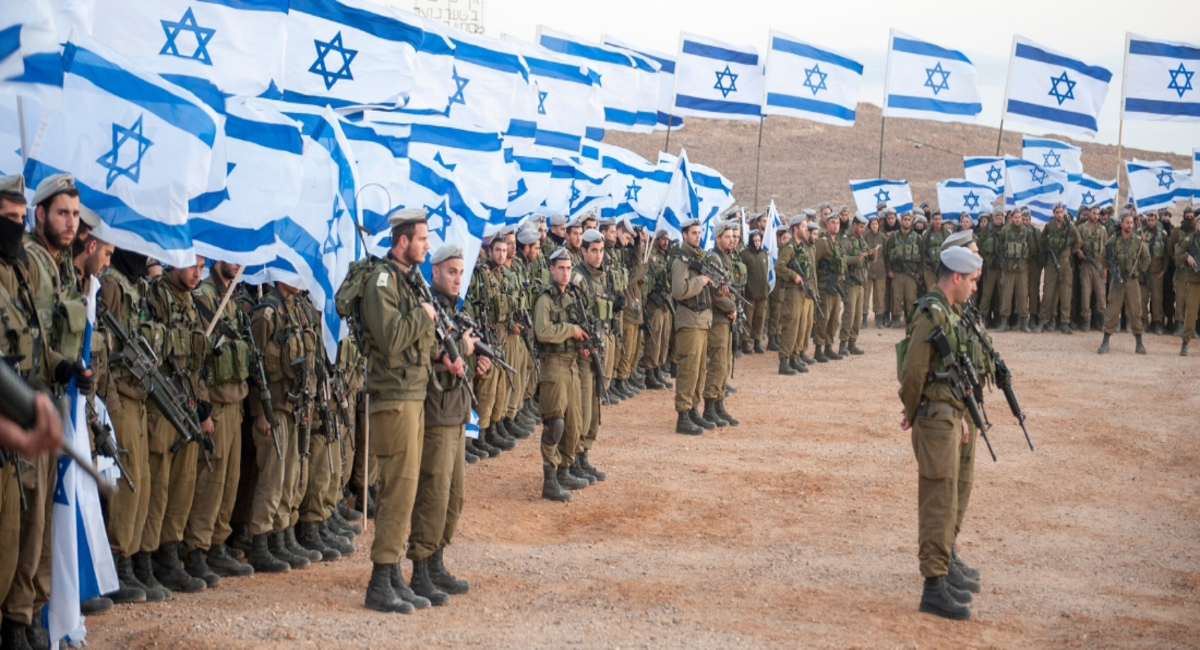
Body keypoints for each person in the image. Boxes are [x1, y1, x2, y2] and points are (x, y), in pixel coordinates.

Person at [356, 208, 441, 614]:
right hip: (392, 396)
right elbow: (390, 338)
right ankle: (379, 580)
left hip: (412, 392)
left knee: (405, 491)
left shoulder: (408, 280)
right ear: (402, 241)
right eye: (422, 239)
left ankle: (392, 577)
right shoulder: (383, 281)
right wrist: (423, 317)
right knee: (396, 488)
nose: (427, 245)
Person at [897, 246, 985, 621]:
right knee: (937, 498)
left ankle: (943, 570)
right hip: (933, 419)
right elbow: (913, 371)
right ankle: (933, 586)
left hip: (945, 415)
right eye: (971, 281)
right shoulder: (929, 314)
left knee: (947, 495)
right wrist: (913, 410)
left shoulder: (947, 311)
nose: (974, 289)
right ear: (955, 277)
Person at [407, 244, 485, 604]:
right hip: (436, 413)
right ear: (434, 272)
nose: (457, 278)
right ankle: (421, 567)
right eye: (450, 271)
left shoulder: (456, 311)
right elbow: (424, 351)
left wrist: (476, 361)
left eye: (460, 271)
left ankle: (437, 560)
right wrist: (462, 351)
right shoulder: (427, 309)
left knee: (454, 497)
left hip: (456, 410)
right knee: (434, 493)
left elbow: (458, 355)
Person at [143, 255, 215, 595]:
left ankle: (170, 557)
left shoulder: (191, 301)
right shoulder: (155, 295)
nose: (197, 273)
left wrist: (202, 409)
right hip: (161, 405)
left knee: (182, 486)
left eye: (201, 267)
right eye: (191, 265)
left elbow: (198, 362)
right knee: (157, 486)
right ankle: (145, 558)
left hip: (186, 407)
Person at [184, 261, 256, 582]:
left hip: (234, 399)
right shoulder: (206, 295)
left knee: (229, 479)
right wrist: (204, 408)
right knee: (211, 482)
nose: (237, 262)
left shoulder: (230, 297)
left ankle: (217, 543)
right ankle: (197, 548)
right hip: (214, 400)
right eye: (231, 255)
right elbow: (199, 357)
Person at [533, 248, 590, 500]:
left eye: (569, 268)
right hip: (553, 366)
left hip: (572, 365)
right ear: (551, 269)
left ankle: (565, 469)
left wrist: (584, 343)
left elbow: (581, 328)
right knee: (555, 423)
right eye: (561, 268)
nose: (566, 273)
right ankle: (549, 479)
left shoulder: (572, 297)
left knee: (573, 422)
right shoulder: (545, 299)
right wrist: (570, 330)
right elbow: (543, 331)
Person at [569, 229, 613, 481]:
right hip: (583, 352)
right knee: (583, 407)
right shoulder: (577, 277)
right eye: (593, 251)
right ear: (583, 251)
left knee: (594, 407)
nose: (598, 255)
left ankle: (584, 455)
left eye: (601, 250)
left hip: (598, 347)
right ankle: (574, 457)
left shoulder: (599, 277)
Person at [670, 219, 716, 435]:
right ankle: (683, 415)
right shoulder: (681, 262)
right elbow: (679, 290)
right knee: (688, 369)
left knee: (699, 369)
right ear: (684, 235)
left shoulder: (700, 259)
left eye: (699, 232)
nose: (697, 236)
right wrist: (702, 281)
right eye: (693, 233)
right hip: (689, 320)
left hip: (703, 320)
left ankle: (693, 409)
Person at [702, 220, 740, 427]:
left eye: (733, 236)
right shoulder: (713, 258)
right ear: (717, 239)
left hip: (725, 319)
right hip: (717, 319)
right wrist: (730, 308)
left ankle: (719, 405)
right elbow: (714, 294)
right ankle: (709, 407)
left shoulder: (725, 258)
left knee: (724, 363)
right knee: (717, 364)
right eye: (727, 237)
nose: (732, 240)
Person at [1097, 213, 1150, 355]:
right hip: (1117, 282)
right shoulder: (1113, 241)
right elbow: (1102, 257)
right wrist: (1111, 267)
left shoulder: (1138, 241)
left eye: (1131, 222)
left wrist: (1138, 271)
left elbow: (1147, 258)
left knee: (1136, 311)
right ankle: (1105, 342)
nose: (1130, 225)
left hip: (1132, 281)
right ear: (1121, 224)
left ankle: (1139, 343)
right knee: (1112, 311)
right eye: (1127, 222)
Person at [775, 216, 815, 375]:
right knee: (790, 325)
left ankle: (794, 356)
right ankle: (784, 360)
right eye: (803, 226)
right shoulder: (789, 247)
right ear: (795, 228)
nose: (806, 229)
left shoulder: (800, 247)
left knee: (799, 325)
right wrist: (794, 276)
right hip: (792, 291)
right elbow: (779, 266)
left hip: (800, 291)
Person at [1035, 204, 1081, 334]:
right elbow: (1042, 241)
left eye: (1061, 212)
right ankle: (1042, 321)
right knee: (1048, 294)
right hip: (1051, 264)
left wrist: (1068, 253)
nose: (1059, 214)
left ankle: (1065, 322)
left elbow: (1078, 242)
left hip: (1065, 264)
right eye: (1057, 212)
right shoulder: (1050, 226)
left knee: (1066, 294)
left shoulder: (1070, 227)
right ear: (1054, 213)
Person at [839, 214, 878, 355]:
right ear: (854, 225)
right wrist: (857, 258)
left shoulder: (861, 240)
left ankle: (852, 343)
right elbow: (841, 258)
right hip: (851, 282)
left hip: (861, 281)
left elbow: (867, 258)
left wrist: (873, 254)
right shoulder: (847, 241)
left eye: (863, 227)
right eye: (861, 226)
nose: (862, 230)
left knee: (857, 315)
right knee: (849, 314)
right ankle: (843, 344)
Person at [642, 230, 675, 389]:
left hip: (666, 300)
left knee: (664, 337)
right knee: (655, 337)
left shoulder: (666, 255)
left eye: (667, 239)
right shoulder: (651, 254)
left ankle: (659, 369)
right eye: (662, 238)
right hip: (655, 301)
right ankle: (650, 371)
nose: (665, 242)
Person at [813, 213, 846, 362]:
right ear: (827, 225)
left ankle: (828, 346)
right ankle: (818, 349)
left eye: (838, 223)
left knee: (834, 318)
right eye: (833, 223)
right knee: (823, 317)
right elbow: (814, 263)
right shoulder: (823, 242)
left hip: (836, 285)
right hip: (825, 286)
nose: (836, 225)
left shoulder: (837, 243)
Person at [996, 207, 1034, 333]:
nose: (1018, 220)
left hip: (1022, 269)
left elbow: (1032, 248)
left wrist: (1024, 259)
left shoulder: (1026, 231)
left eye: (1019, 218)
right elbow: (998, 246)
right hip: (1009, 269)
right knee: (1006, 296)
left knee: (1023, 295)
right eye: (1016, 217)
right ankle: (1004, 322)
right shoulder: (1005, 231)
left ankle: (1024, 322)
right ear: (1011, 218)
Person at [886, 211, 923, 329]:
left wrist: (919, 272)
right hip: (897, 272)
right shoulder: (894, 236)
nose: (906, 221)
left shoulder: (917, 238)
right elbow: (887, 254)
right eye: (904, 219)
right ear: (901, 221)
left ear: (911, 221)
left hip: (911, 274)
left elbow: (922, 256)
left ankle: (910, 319)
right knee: (896, 296)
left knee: (910, 297)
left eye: (908, 219)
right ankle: (896, 318)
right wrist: (889, 270)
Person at [1078, 205, 1108, 332]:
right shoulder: (1081, 228)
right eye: (1093, 213)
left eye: (1097, 214)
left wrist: (1105, 267)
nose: (1096, 216)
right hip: (1085, 265)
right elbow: (1076, 243)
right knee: (1085, 294)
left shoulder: (1102, 230)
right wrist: (1078, 251)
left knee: (1101, 295)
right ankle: (1086, 320)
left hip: (1099, 265)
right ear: (1089, 213)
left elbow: (1107, 250)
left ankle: (1101, 320)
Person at [740, 229, 771, 353]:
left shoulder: (764, 255)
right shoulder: (745, 254)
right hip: (750, 293)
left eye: (759, 240)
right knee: (748, 319)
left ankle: (757, 342)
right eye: (755, 241)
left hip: (762, 293)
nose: (757, 243)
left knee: (760, 319)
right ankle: (745, 342)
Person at [1174, 225, 1200, 356]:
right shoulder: (1189, 239)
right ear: (1197, 223)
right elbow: (1177, 255)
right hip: (1194, 281)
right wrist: (1187, 257)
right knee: (1190, 313)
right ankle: (1185, 342)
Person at [1142, 211, 1169, 335]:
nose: (1151, 222)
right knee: (1143, 297)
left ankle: (1157, 321)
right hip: (1144, 270)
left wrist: (1164, 269)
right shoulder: (1141, 233)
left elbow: (1166, 254)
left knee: (1157, 298)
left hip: (1157, 271)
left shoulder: (1162, 235)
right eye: (1149, 220)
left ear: (1156, 220)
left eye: (1153, 220)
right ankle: (1143, 320)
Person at [864, 215, 888, 328]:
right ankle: (864, 318)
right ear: (869, 225)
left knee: (879, 295)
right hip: (867, 271)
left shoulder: (882, 237)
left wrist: (888, 269)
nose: (874, 226)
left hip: (880, 271)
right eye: (872, 224)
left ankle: (879, 318)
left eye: (876, 224)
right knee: (865, 295)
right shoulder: (865, 237)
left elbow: (886, 254)